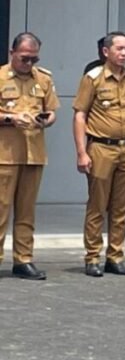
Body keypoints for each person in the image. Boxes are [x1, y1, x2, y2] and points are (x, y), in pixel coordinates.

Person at [73, 31, 125, 277]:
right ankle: (92, 257)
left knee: (121, 206)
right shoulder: (93, 78)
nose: (124, 53)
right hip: (101, 148)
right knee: (98, 205)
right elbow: (80, 115)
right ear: (106, 51)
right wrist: (81, 152)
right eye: (120, 49)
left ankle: (115, 257)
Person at [0, 33, 59, 280]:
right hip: (5, 154)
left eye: (34, 59)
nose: (29, 63)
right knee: (1, 209)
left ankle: (23, 260)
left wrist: (45, 120)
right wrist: (10, 118)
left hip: (33, 154)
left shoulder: (43, 79)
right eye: (24, 58)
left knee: (26, 211)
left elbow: (52, 110)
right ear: (12, 53)